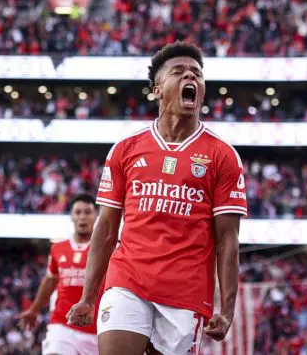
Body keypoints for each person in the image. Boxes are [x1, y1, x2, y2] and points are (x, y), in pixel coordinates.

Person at [66, 41, 247, 355]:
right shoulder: (126, 149)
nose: (190, 77)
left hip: (185, 292)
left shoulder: (222, 155)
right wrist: (88, 296)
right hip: (128, 279)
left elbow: (227, 241)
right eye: (178, 72)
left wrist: (227, 309)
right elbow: (107, 230)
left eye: (197, 74)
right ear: (157, 90)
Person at [19, 194, 101, 355]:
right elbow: (50, 281)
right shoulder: (58, 248)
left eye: (87, 212)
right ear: (71, 216)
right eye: (78, 212)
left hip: (96, 329)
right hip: (62, 324)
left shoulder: (105, 249)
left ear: (96, 215)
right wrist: (34, 310)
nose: (82, 217)